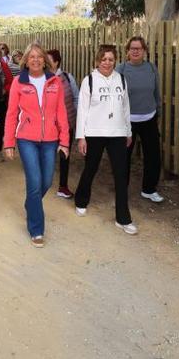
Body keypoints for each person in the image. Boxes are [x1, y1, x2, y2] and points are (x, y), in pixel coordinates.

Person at [3, 43, 69, 247]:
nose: (36, 60)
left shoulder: (54, 81)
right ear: (26, 60)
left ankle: (30, 205)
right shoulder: (19, 82)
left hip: (50, 138)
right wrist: (8, 142)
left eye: (39, 56)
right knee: (34, 181)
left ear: (45, 60)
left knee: (46, 181)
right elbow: (11, 114)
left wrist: (65, 141)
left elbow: (61, 112)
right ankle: (36, 229)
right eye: (32, 57)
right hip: (26, 138)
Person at [73, 44, 137, 235]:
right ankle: (81, 200)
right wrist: (81, 137)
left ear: (115, 61)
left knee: (121, 175)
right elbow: (82, 110)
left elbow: (126, 107)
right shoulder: (89, 80)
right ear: (97, 61)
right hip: (94, 133)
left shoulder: (121, 79)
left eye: (110, 59)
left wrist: (128, 131)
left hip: (117, 133)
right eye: (103, 59)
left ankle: (123, 219)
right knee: (91, 168)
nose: (107, 63)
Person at [117, 36, 165, 204]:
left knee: (153, 157)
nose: (136, 51)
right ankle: (121, 190)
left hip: (149, 118)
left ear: (144, 51)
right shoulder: (121, 69)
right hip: (127, 121)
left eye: (139, 48)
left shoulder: (151, 68)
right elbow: (115, 96)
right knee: (123, 158)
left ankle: (149, 189)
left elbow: (156, 92)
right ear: (127, 51)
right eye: (132, 48)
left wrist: (158, 111)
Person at [46, 49, 78, 199]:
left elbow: (76, 98)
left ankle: (63, 186)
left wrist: (76, 118)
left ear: (56, 62)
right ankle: (43, 180)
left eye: (48, 60)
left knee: (65, 155)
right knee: (47, 154)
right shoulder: (41, 78)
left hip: (66, 124)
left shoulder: (67, 77)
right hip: (48, 125)